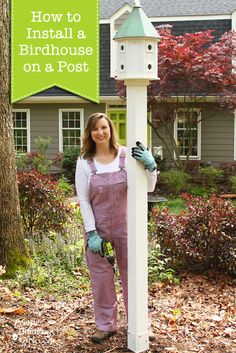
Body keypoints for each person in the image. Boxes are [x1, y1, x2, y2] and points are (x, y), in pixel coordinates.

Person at [75, 112, 157, 343]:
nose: (100, 132)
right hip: (97, 229)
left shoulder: (126, 157)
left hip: (126, 227)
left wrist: (151, 167)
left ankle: (139, 323)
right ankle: (105, 325)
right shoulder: (84, 161)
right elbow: (83, 199)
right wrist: (91, 233)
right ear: (89, 134)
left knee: (132, 276)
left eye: (103, 127)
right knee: (101, 280)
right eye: (95, 129)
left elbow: (148, 188)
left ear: (110, 129)